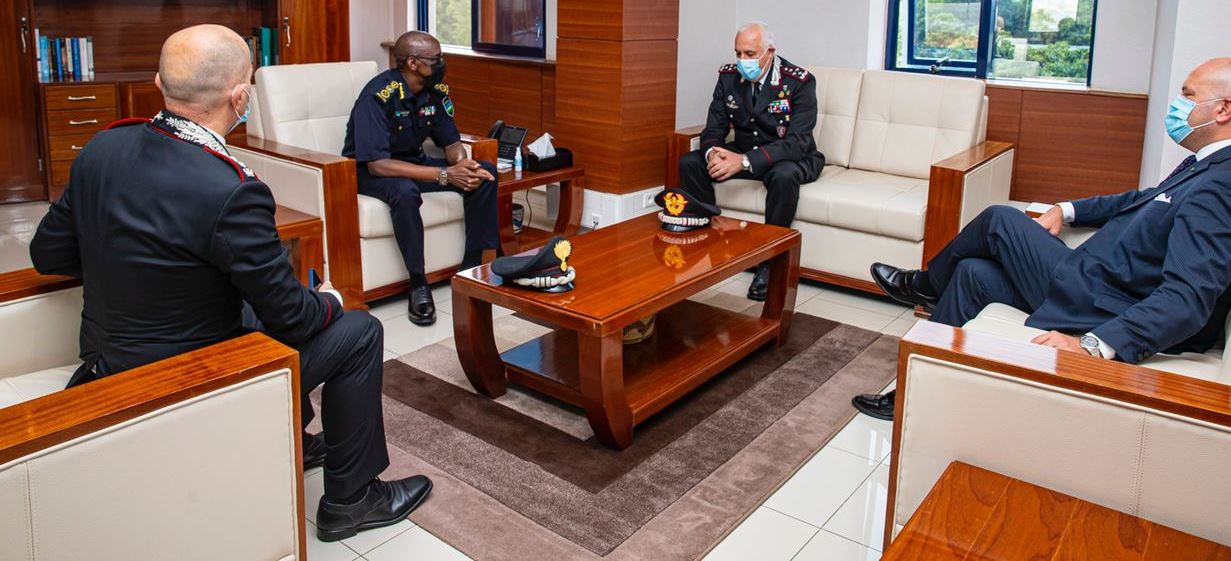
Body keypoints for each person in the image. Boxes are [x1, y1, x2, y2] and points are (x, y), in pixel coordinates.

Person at [29, 24, 431, 542]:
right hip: (185, 381)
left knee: (250, 307)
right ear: (240, 97)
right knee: (359, 331)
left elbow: (47, 254)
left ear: (160, 83)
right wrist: (330, 300)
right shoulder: (232, 189)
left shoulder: (102, 149)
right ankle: (352, 502)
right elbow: (295, 318)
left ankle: (296, 440)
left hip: (105, 358)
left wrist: (137, 267)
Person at [853, 57, 1231, 421]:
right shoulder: (1205, 167)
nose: (1178, 104)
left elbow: (1188, 296)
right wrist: (1067, 209)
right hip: (1094, 282)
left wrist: (1094, 345)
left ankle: (923, 285)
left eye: (1188, 95)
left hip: (1104, 301)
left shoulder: (1220, 185)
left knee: (999, 219)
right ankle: (912, 394)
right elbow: (1140, 201)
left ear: (1223, 109)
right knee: (971, 272)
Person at [343, 31, 499, 326]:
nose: (442, 64)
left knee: (486, 173)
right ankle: (418, 284)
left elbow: (451, 142)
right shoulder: (377, 97)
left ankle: (471, 269)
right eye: (435, 59)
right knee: (405, 192)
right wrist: (444, 174)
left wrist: (463, 166)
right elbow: (377, 164)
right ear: (412, 63)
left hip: (414, 162)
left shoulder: (435, 92)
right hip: (369, 172)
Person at [677, 21, 825, 301]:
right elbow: (714, 128)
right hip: (743, 152)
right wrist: (713, 153)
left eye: (750, 54)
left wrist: (744, 161)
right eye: (738, 53)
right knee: (690, 162)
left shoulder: (799, 81)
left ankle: (769, 263)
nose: (742, 60)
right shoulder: (728, 77)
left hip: (789, 157)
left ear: (770, 52)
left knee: (783, 176)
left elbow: (797, 142)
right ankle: (707, 244)